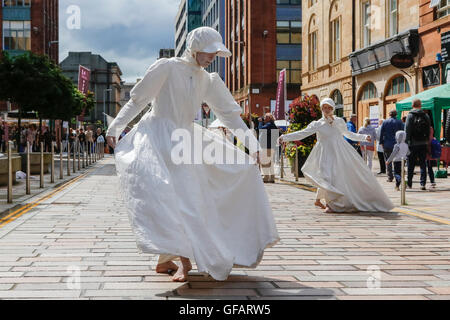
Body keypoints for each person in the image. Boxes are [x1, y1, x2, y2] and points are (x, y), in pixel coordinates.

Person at [105, 27, 279, 282]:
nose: (212, 57)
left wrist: (253, 146)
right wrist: (116, 126)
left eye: (215, 53)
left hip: (185, 140)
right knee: (172, 198)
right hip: (157, 137)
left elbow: (230, 115)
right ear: (194, 48)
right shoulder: (167, 67)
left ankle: (166, 260)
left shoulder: (207, 80)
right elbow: (139, 100)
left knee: (185, 198)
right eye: (209, 52)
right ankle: (184, 261)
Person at [277, 98, 394, 214]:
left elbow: (348, 134)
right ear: (321, 109)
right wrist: (285, 137)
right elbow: (302, 133)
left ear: (333, 108)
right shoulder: (317, 124)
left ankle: (325, 202)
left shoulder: (339, 121)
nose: (327, 110)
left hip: (340, 152)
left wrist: (363, 137)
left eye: (329, 108)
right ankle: (328, 203)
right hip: (324, 153)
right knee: (326, 176)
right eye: (324, 107)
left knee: (336, 177)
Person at [405, 99, 431, 190]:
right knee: (423, 163)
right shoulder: (426, 115)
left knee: (410, 164)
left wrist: (406, 143)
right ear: (420, 105)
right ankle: (422, 183)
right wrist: (427, 140)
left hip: (412, 143)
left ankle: (409, 183)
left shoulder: (410, 115)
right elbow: (428, 129)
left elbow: (407, 130)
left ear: (412, 105)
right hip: (423, 143)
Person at [380, 110, 404, 182]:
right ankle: (398, 176)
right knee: (397, 161)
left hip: (387, 144)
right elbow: (403, 133)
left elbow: (382, 133)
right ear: (396, 114)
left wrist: (381, 142)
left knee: (388, 160)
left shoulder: (385, 122)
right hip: (397, 144)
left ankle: (390, 177)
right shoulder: (400, 122)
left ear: (389, 114)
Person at [258, 113, 278, 183]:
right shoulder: (271, 125)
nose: (264, 118)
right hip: (270, 146)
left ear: (269, 118)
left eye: (265, 117)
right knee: (270, 162)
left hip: (267, 147)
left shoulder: (269, 125)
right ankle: (272, 177)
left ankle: (266, 177)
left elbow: (261, 129)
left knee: (265, 162)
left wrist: (260, 122)